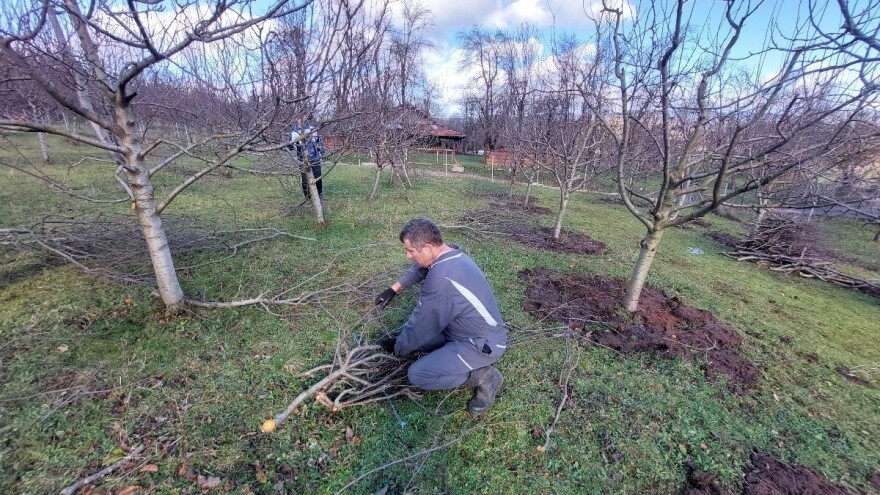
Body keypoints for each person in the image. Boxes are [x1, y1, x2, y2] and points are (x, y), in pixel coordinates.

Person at [375, 217, 507, 415]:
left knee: (418, 374)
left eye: (410, 251)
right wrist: (393, 290)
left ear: (428, 247)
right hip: (458, 330)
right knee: (414, 341)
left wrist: (399, 349)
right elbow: (421, 269)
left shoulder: (441, 280)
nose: (408, 256)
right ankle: (413, 345)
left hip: (481, 344)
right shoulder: (451, 252)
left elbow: (421, 324)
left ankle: (484, 376)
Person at [290, 117, 324, 201]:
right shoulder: (294, 132)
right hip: (302, 159)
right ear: (297, 119)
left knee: (318, 176)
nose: (302, 119)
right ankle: (308, 198)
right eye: (300, 118)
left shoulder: (312, 129)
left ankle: (319, 195)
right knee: (305, 179)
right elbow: (290, 146)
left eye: (304, 117)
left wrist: (321, 151)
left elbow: (318, 142)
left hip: (315, 157)